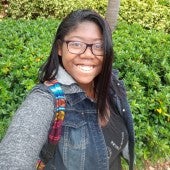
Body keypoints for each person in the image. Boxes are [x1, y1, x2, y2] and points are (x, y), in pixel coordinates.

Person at [0, 9, 135, 170]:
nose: (88, 54)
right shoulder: (45, 101)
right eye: (76, 44)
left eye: (99, 46)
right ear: (59, 48)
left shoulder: (111, 86)